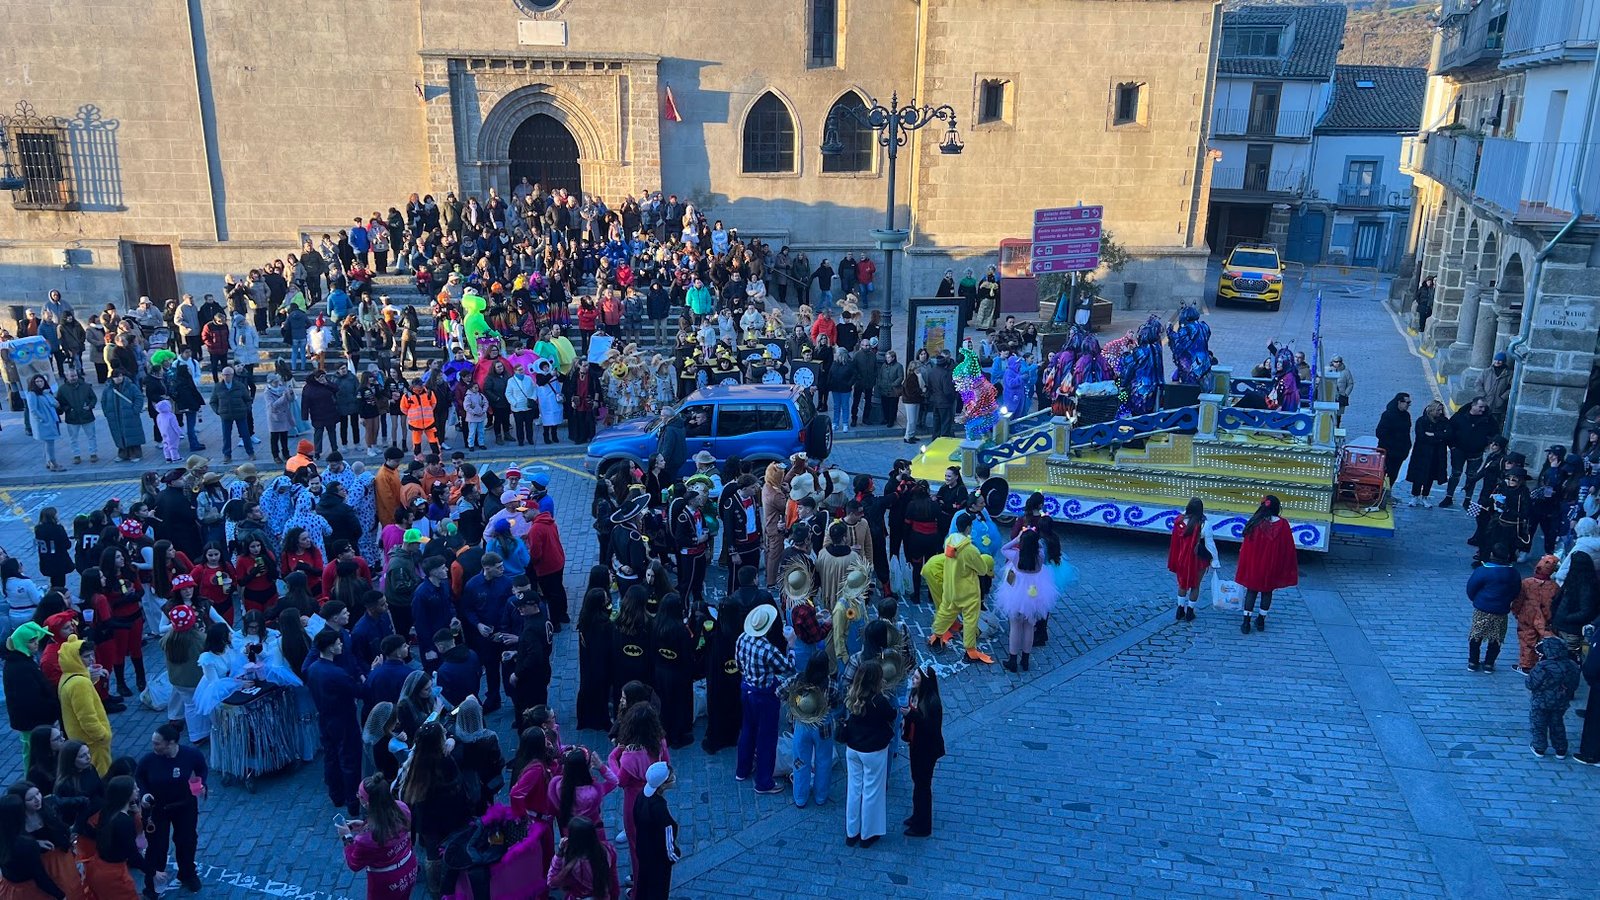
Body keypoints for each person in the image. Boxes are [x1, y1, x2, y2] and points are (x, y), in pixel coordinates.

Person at [396, 722, 467, 896]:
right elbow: (458, 787)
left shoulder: (414, 762)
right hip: (449, 817)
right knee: (452, 846)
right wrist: (453, 739)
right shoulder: (446, 761)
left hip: (426, 822)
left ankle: (435, 889)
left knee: (432, 854)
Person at [134, 724, 206, 894]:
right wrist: (144, 794)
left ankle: (187, 873)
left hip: (185, 806)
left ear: (171, 743)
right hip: (157, 809)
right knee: (157, 847)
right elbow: (139, 776)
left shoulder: (191, 755)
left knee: (187, 841)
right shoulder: (148, 760)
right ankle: (153, 883)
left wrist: (201, 783)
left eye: (157, 743)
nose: (153, 746)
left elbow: (201, 768)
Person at [305, 629, 364, 817]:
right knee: (350, 760)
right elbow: (359, 691)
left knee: (331, 757)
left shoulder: (313, 669)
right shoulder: (336, 673)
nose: (341, 645)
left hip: (325, 718)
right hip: (344, 720)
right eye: (338, 643)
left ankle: (336, 795)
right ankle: (353, 802)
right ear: (330, 648)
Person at [734, 604, 792, 795]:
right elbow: (787, 667)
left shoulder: (742, 638)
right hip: (764, 696)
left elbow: (738, 664)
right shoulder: (768, 649)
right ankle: (764, 782)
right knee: (766, 737)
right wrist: (791, 646)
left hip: (746, 690)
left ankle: (742, 770)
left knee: (747, 730)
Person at [923, 512, 994, 663]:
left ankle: (936, 637)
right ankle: (970, 651)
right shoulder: (971, 550)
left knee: (945, 613)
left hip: (950, 588)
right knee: (970, 621)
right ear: (968, 528)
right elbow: (982, 570)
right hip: (967, 592)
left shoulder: (949, 541)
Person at [338, 775, 419, 900]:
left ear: (367, 803)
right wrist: (365, 825)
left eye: (359, 795)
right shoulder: (401, 807)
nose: (357, 796)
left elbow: (354, 864)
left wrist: (346, 837)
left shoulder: (365, 840)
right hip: (409, 867)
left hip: (386, 882)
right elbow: (389, 825)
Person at [840, 659, 894, 848]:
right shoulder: (879, 701)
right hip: (873, 750)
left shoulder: (852, 695)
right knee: (872, 791)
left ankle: (851, 832)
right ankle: (868, 834)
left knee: (854, 790)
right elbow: (891, 715)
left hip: (853, 748)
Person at [78, 776, 158, 900]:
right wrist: (153, 872)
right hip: (114, 875)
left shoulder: (106, 811)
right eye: (134, 788)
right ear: (125, 794)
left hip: (98, 867)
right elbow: (133, 856)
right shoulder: (124, 821)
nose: (138, 790)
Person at [993, 530, 1059, 673]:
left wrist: (1017, 539)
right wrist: (1034, 540)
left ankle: (1012, 660)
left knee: (1015, 627)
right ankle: (1025, 660)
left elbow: (1004, 549)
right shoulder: (1040, 556)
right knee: (1029, 626)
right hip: (1034, 594)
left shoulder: (1015, 555)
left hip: (1016, 595)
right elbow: (1040, 546)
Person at [1234, 495, 1299, 635]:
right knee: (1267, 592)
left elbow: (1247, 547)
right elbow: (1288, 547)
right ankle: (1261, 620)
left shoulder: (1255, 523)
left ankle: (1246, 622)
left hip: (1255, 565)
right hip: (1272, 565)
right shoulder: (1283, 524)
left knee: (1251, 591)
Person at [3, 623, 59, 773]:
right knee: (35, 754)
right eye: (31, 641)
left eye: (36, 640)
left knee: (30, 751)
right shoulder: (20, 667)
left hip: (28, 720)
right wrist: (52, 711)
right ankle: (34, 780)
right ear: (21, 643)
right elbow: (31, 699)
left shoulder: (20, 660)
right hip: (33, 721)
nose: (36, 644)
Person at [785, 651, 835, 809]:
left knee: (800, 761)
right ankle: (821, 797)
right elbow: (838, 701)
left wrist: (794, 702)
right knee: (824, 761)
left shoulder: (799, 679)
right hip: (823, 727)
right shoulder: (830, 684)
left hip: (802, 725)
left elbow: (779, 691)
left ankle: (800, 798)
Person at [902, 666, 945, 838]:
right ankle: (917, 816)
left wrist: (911, 715)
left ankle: (923, 825)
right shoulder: (915, 694)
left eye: (916, 678)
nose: (913, 680)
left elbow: (930, 728)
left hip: (927, 749)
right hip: (915, 745)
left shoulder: (932, 703)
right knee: (917, 781)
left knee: (923, 785)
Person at [56, 638, 110, 774]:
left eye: (92, 655)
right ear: (74, 659)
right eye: (86, 656)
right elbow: (87, 717)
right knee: (102, 775)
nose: (92, 659)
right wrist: (102, 736)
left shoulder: (67, 676)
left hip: (79, 738)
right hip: (92, 743)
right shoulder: (80, 683)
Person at [1527, 635, 1581, 759]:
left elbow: (1530, 684)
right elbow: (1574, 685)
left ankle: (1539, 748)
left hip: (1541, 701)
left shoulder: (1543, 666)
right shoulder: (1571, 665)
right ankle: (1560, 749)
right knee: (1557, 723)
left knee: (1538, 723)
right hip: (1561, 701)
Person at [1166, 498, 1220, 622]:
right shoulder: (1205, 524)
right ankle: (1190, 611)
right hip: (1198, 561)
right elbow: (1210, 544)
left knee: (1182, 584)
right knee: (1195, 585)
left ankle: (1180, 609)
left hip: (1181, 559)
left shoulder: (1179, 522)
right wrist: (1215, 561)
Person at [631, 761, 679, 900]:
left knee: (645, 884)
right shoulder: (659, 808)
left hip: (644, 851)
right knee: (659, 889)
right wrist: (674, 855)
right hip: (658, 858)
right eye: (670, 777)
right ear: (662, 785)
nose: (674, 778)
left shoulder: (641, 796)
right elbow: (667, 834)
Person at [1440, 397, 1497, 508]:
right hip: (1459, 451)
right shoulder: (1460, 416)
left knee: (1472, 476)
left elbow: (1494, 433)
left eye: (1484, 407)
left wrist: (1486, 444)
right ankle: (1448, 496)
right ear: (1473, 405)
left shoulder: (1488, 419)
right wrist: (1452, 446)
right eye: (1480, 407)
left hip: (1476, 453)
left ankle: (1467, 499)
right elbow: (1450, 430)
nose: (1483, 410)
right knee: (1455, 474)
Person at [545, 816, 618, 900]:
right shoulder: (608, 849)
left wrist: (559, 853)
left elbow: (551, 882)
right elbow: (614, 879)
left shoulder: (572, 864)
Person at [1511, 556, 1559, 674]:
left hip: (1527, 616)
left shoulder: (1526, 583)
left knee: (1526, 640)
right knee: (1541, 640)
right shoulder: (1554, 587)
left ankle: (1526, 665)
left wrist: (1515, 611)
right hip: (1545, 617)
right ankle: (1539, 662)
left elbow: (1519, 600)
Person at [1406, 400, 1450, 507]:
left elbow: (1447, 435)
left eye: (1441, 410)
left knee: (1430, 476)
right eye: (1438, 410)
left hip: (1437, 454)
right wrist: (1438, 437)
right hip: (1422, 453)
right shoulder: (1422, 421)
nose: (1440, 412)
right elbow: (1422, 436)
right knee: (1418, 475)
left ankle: (1425, 496)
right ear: (1431, 410)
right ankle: (1415, 495)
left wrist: (1433, 435)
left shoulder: (1444, 421)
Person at [1375, 392, 1412, 499]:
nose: (1408, 405)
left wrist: (1406, 447)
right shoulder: (1388, 415)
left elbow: (1407, 433)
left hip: (1400, 452)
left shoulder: (1406, 416)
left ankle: (1387, 493)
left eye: (1409, 403)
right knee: (1384, 474)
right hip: (1387, 451)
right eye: (1406, 402)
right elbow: (1380, 432)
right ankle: (1379, 494)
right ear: (1399, 402)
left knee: (1394, 475)